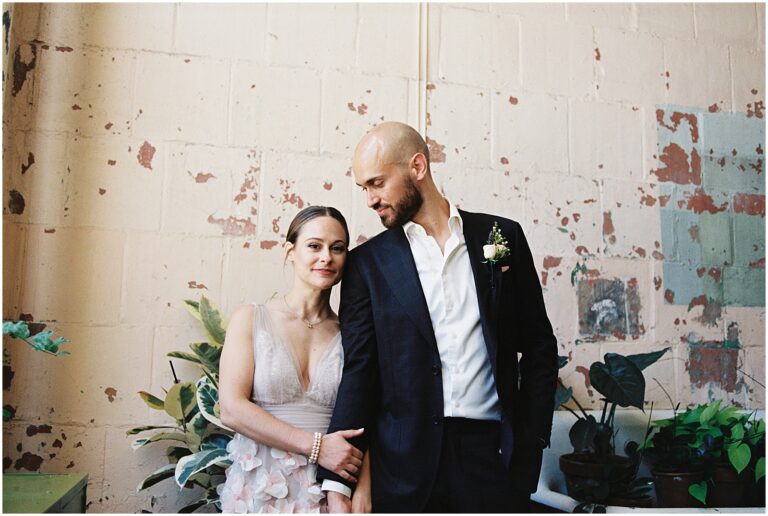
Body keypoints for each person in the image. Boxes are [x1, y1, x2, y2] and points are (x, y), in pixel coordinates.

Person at [317, 122, 559, 512]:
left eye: (377, 183)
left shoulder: (503, 237)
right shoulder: (367, 264)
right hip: (402, 466)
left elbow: (539, 348)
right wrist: (339, 483)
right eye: (364, 188)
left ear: (417, 167)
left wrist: (530, 444)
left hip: (491, 458)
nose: (370, 200)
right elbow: (360, 371)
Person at [217, 206, 371, 513]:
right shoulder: (251, 318)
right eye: (314, 245)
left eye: (337, 248)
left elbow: (368, 417)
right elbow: (232, 409)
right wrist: (317, 447)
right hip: (261, 483)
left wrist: (363, 491)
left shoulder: (352, 334)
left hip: (328, 490)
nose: (326, 257)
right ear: (290, 251)